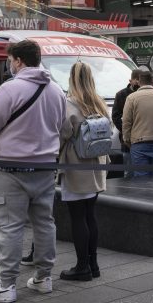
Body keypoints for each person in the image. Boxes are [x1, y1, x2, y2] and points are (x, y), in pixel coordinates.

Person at [0, 40, 66, 302]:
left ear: (18, 60)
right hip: (45, 168)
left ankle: (6, 285)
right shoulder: (56, 90)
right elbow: (60, 125)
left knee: (10, 227)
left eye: (10, 60)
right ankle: (43, 278)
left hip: (11, 169)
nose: (10, 64)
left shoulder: (10, 89)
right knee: (44, 224)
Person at [58, 62, 109, 282]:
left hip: (75, 166)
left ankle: (82, 266)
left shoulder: (69, 104)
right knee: (90, 215)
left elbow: (62, 133)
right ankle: (93, 264)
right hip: (96, 166)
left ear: (71, 78)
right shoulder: (98, 103)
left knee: (77, 217)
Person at [121, 71, 153, 177]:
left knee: (141, 180)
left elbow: (126, 122)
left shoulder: (131, 98)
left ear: (139, 82)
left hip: (139, 144)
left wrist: (127, 140)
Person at [112, 69, 143, 177]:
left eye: (141, 81)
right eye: (137, 80)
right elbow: (115, 116)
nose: (139, 83)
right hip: (127, 142)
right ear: (131, 80)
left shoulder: (145, 94)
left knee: (142, 173)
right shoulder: (121, 95)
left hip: (143, 140)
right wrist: (126, 131)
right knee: (129, 172)